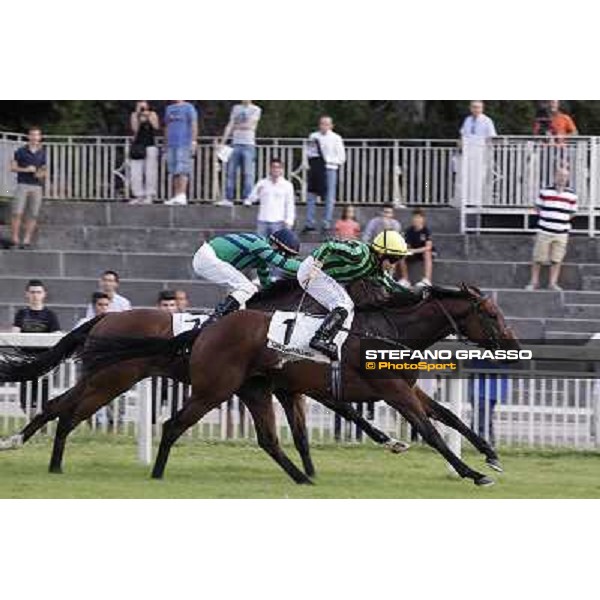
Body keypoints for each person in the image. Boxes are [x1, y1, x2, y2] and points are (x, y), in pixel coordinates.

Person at [297, 231, 410, 360]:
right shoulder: (359, 253)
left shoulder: (375, 269)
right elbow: (330, 245)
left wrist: (416, 294)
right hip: (312, 271)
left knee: (349, 309)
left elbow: (391, 285)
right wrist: (316, 266)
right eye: (393, 259)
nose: (393, 265)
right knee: (344, 303)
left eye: (398, 260)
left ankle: (332, 342)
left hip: (324, 275)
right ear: (380, 254)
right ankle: (320, 339)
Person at [192, 228, 301, 324]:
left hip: (208, 259)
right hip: (207, 258)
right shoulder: (259, 244)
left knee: (243, 300)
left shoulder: (261, 256)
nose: (286, 258)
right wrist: (311, 266)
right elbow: (282, 263)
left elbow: (266, 283)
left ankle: (225, 322)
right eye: (285, 254)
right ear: (276, 246)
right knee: (248, 288)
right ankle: (215, 319)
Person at [526, 167, 577, 291]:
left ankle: (552, 283)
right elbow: (537, 208)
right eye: (559, 175)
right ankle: (534, 282)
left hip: (561, 232)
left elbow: (573, 213)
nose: (561, 178)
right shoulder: (545, 192)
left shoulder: (571, 195)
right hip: (545, 230)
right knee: (538, 258)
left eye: (564, 176)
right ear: (555, 176)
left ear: (567, 179)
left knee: (557, 259)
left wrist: (561, 219)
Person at [302, 116, 346, 235]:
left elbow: (341, 157)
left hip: (329, 169)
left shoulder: (336, 138)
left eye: (327, 124)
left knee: (329, 197)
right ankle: (309, 223)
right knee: (311, 195)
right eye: (322, 124)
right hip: (316, 168)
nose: (324, 126)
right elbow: (309, 152)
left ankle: (326, 223)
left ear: (331, 126)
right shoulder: (313, 136)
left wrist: (327, 160)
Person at [217, 101, 262, 206]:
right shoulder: (236, 108)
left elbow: (251, 125)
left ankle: (248, 197)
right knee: (230, 172)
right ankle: (228, 198)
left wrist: (236, 125)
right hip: (235, 143)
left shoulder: (256, 109)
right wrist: (222, 142)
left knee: (248, 173)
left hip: (248, 144)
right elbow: (230, 125)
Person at [10, 127, 47, 249]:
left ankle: (26, 241)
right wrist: (26, 169)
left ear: (40, 137)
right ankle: (15, 240)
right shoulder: (20, 151)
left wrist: (41, 174)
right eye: (33, 135)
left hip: (37, 186)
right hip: (22, 185)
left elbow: (44, 170)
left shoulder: (42, 152)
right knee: (17, 213)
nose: (35, 138)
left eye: (37, 135)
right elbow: (12, 167)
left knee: (33, 214)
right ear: (29, 137)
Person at [243, 158, 295, 237]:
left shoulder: (287, 185)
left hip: (279, 221)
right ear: (270, 169)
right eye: (273, 167)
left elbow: (290, 204)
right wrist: (258, 192)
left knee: (278, 247)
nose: (276, 169)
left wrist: (289, 221)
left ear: (282, 170)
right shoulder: (262, 183)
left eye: (278, 167)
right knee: (260, 246)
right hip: (262, 220)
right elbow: (250, 199)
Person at [163, 101, 199, 206]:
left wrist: (193, 141)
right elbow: (166, 126)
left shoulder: (189, 107)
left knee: (182, 169)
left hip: (184, 142)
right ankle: (176, 195)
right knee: (174, 170)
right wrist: (165, 143)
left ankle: (182, 194)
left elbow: (193, 124)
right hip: (171, 143)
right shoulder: (169, 108)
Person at [129, 101, 160, 204]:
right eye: (140, 105)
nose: (142, 107)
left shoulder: (152, 114)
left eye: (144, 105)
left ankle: (149, 194)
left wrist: (148, 117)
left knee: (150, 171)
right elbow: (134, 129)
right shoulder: (134, 115)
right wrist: (138, 116)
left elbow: (156, 127)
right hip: (138, 145)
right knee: (136, 172)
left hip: (150, 145)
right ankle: (138, 194)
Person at [399, 209, 434, 289]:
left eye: (418, 217)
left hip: (423, 252)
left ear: (423, 219)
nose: (416, 220)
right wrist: (406, 249)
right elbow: (406, 245)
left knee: (427, 252)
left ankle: (427, 280)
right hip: (413, 252)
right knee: (401, 254)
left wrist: (414, 250)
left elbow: (428, 247)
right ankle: (405, 279)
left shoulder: (426, 231)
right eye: (414, 217)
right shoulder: (409, 231)